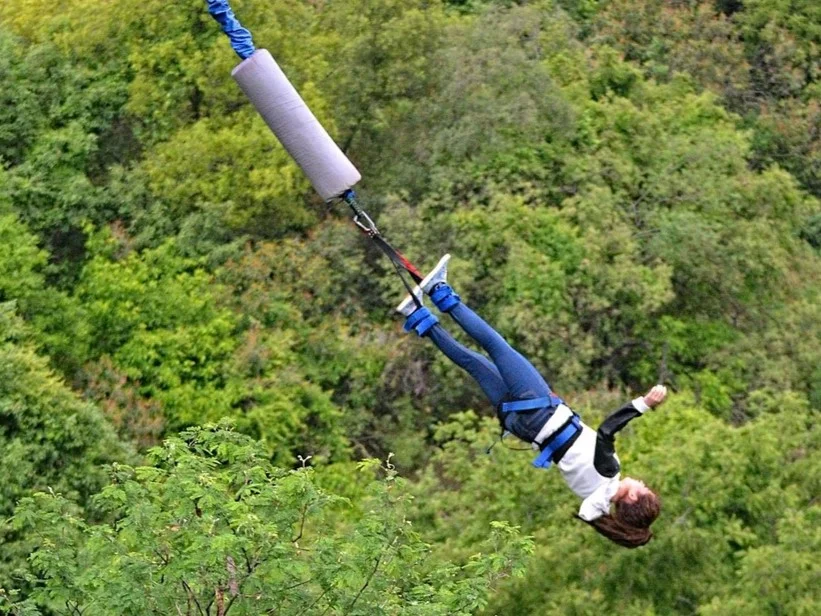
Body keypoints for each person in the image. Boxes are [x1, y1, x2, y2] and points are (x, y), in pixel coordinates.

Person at [397, 255, 666, 548]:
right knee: (473, 364)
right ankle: (417, 315)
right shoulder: (590, 500)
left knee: (496, 345)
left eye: (643, 489)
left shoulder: (609, 474)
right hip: (519, 424)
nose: (641, 483)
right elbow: (589, 513)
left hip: (538, 408)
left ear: (632, 498)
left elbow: (606, 431)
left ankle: (439, 291)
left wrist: (643, 404)